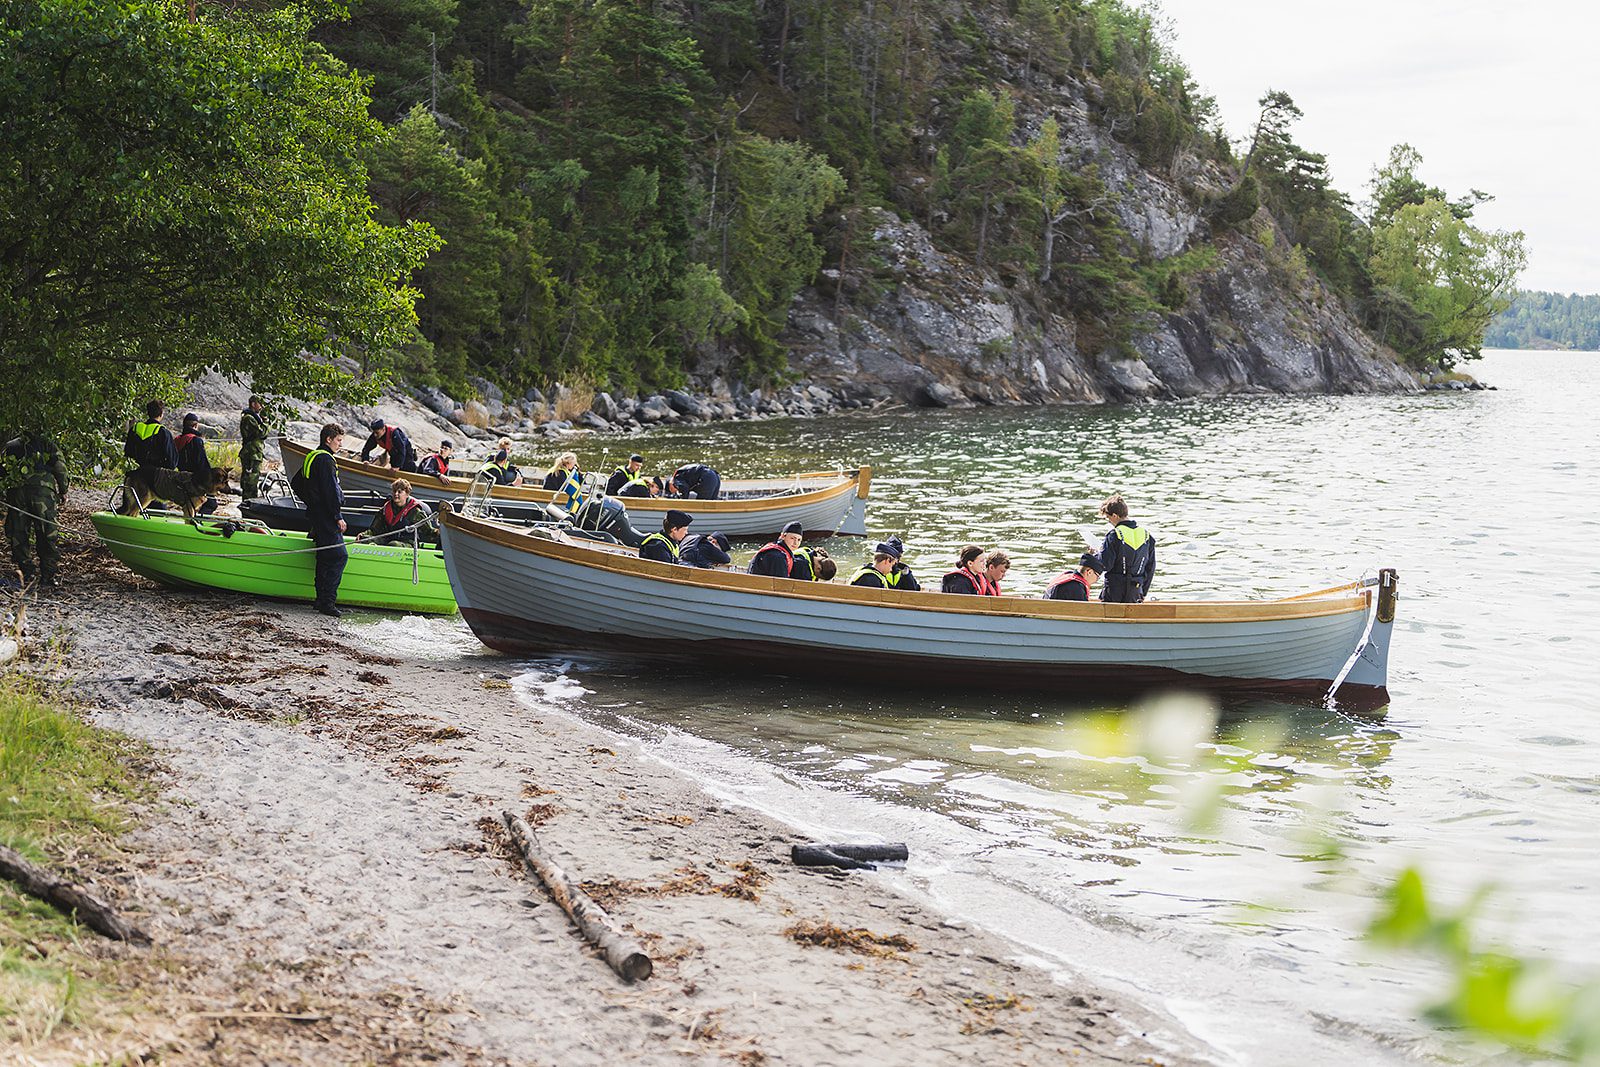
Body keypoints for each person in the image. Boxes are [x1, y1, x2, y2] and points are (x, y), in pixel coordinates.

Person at [3, 431, 68, 589]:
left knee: (18, 532)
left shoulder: (11, 446)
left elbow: (2, 468)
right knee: (47, 532)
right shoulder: (47, 444)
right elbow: (60, 467)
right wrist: (63, 490)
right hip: (42, 491)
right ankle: (48, 575)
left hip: (17, 490)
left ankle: (27, 572)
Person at [302, 423, 348, 617]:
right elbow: (330, 491)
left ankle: (320, 600)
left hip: (316, 514)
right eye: (338, 441)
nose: (340, 445)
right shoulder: (326, 460)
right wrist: (337, 516)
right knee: (339, 556)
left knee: (324, 556)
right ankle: (327, 602)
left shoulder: (312, 456)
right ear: (328, 439)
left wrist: (312, 504)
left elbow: (298, 482)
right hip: (326, 516)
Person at [1096, 494, 1155, 603]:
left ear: (1114, 516)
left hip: (1114, 591)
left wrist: (1095, 555)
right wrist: (1143, 592)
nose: (1109, 521)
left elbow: (1106, 564)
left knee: (1110, 619)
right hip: (1135, 591)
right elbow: (1150, 568)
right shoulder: (1147, 536)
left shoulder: (1114, 535)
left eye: (1108, 518)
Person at [174, 413, 218, 515]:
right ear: (195, 426)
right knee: (211, 503)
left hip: (182, 477)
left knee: (190, 504)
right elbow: (202, 463)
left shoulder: (176, 440)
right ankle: (200, 521)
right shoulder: (196, 441)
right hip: (197, 479)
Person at [367, 478, 433, 545]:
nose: (396, 494)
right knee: (365, 539)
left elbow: (429, 532)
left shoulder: (415, 512)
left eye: (399, 492)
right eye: (394, 491)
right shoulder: (385, 510)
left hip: (408, 543)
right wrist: (363, 534)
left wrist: (439, 532)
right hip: (388, 540)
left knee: (393, 544)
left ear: (407, 494)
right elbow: (374, 530)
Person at [124, 400, 177, 472]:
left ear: (148, 413)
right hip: (155, 474)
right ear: (161, 414)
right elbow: (172, 461)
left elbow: (127, 452)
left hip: (136, 471)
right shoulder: (163, 432)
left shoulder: (135, 428)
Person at [851, 538, 920, 590]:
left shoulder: (873, 573)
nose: (891, 569)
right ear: (887, 561)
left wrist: (907, 575)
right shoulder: (870, 578)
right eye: (892, 564)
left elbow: (914, 589)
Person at [238, 395, 268, 500]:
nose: (261, 407)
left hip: (255, 453)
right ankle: (247, 503)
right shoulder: (249, 418)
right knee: (250, 482)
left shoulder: (254, 417)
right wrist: (266, 421)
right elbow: (262, 433)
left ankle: (251, 501)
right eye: (260, 404)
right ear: (253, 404)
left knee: (253, 481)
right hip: (251, 454)